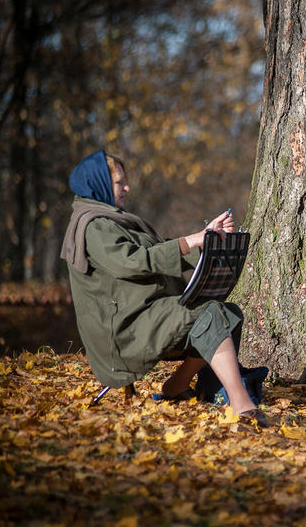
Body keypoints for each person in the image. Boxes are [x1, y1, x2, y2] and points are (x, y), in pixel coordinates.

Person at [60, 150, 268, 427]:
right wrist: (189, 240)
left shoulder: (112, 220)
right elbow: (133, 263)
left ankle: (181, 387)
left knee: (228, 313)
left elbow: (157, 250)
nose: (127, 188)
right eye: (119, 182)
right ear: (98, 184)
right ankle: (242, 406)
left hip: (147, 314)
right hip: (126, 330)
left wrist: (208, 239)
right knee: (212, 313)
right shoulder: (94, 227)